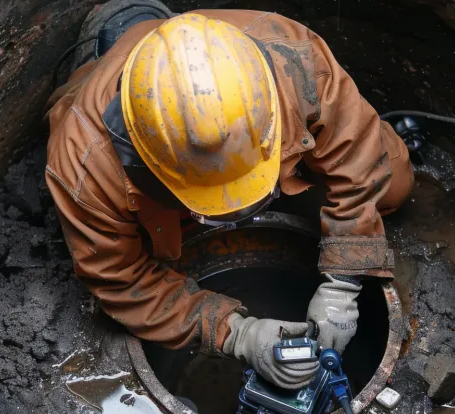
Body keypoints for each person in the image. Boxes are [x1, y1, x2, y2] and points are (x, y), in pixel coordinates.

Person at [45, 2, 414, 390]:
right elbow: (121, 280)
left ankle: (149, 39)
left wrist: (344, 280)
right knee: (149, 254)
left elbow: (359, 157)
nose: (235, 211)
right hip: (145, 179)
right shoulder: (83, 163)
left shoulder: (294, 60)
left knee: (395, 184)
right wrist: (236, 333)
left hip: (260, 126)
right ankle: (109, 49)